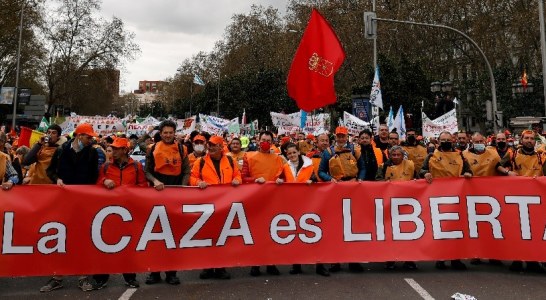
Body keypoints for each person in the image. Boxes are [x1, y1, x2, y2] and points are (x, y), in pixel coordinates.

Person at [42, 123, 100, 292]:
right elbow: (51, 171)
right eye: (88, 137)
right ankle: (57, 276)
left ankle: (83, 276)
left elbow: (93, 176)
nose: (90, 140)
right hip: (63, 201)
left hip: (82, 203)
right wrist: (57, 179)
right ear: (79, 135)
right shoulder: (61, 151)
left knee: (81, 238)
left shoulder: (92, 152)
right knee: (61, 238)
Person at [95, 137, 148, 289]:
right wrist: (104, 181)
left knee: (128, 246)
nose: (114, 151)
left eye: (117, 148)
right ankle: (101, 277)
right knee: (104, 246)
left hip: (128, 213)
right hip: (108, 212)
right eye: (113, 148)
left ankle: (130, 277)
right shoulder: (105, 167)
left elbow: (143, 186)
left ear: (125, 150)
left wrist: (131, 192)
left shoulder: (136, 166)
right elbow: (97, 184)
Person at [144, 119, 190, 285]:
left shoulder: (181, 148)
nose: (168, 135)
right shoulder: (153, 148)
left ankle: (172, 272)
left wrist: (183, 188)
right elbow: (146, 171)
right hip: (157, 194)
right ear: (160, 133)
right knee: (156, 235)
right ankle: (154, 273)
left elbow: (186, 171)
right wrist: (155, 181)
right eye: (165, 133)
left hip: (175, 195)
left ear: (174, 133)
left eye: (171, 132)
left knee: (173, 235)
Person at [420, 131, 472, 271]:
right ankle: (440, 258)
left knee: (456, 229)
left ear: (453, 140)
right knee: (440, 228)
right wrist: (426, 173)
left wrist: (468, 174)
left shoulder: (460, 155)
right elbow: (422, 170)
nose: (446, 142)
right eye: (443, 140)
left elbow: (469, 171)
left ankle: (456, 259)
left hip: (456, 198)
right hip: (437, 197)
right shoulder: (431, 156)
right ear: (438, 141)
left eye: (448, 139)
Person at [190, 135, 241, 280]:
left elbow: (238, 175)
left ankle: (220, 267)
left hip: (225, 204)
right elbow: (192, 177)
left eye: (213, 145)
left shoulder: (230, 161)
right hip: (207, 204)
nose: (210, 148)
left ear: (221, 147)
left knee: (223, 237)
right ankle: (207, 266)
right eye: (209, 145)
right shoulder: (200, 162)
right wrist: (198, 182)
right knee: (207, 236)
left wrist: (237, 180)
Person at [276, 143, 329, 277]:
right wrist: (279, 180)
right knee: (296, 235)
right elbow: (279, 179)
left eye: (294, 152)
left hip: (311, 204)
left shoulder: (310, 165)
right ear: (286, 155)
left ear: (298, 152)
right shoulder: (285, 167)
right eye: (289, 153)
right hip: (294, 204)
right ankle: (297, 264)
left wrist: (313, 182)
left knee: (315, 235)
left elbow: (318, 179)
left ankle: (320, 264)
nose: (292, 155)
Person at [318, 126, 364, 273]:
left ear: (347, 136)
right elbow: (320, 171)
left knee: (354, 226)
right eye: (339, 136)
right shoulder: (328, 152)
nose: (341, 139)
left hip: (353, 190)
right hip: (336, 191)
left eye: (343, 136)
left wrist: (359, 180)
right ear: (335, 137)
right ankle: (335, 261)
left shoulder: (355, 150)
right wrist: (330, 179)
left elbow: (363, 168)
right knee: (336, 226)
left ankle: (354, 261)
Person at [501, 129, 546, 273]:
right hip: (517, 199)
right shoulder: (512, 155)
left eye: (532, 138)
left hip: (536, 201)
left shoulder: (542, 157)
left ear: (535, 141)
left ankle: (532, 261)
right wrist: (509, 173)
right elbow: (498, 166)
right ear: (521, 140)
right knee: (517, 230)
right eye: (526, 138)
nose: (529, 140)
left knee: (534, 230)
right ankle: (517, 259)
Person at [241, 131, 285, 276]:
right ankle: (255, 264)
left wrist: (281, 181)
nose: (264, 142)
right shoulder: (249, 156)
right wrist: (254, 180)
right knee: (256, 232)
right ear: (258, 141)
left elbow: (284, 176)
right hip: (255, 199)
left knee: (272, 232)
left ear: (272, 142)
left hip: (273, 200)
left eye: (268, 140)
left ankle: (271, 263)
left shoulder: (279, 159)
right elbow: (243, 177)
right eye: (263, 140)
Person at [376, 145, 417, 270]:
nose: (396, 157)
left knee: (408, 232)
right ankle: (390, 259)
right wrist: (385, 184)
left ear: (402, 155)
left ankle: (409, 259)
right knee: (391, 232)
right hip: (390, 204)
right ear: (390, 155)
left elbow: (417, 179)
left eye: (398, 155)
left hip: (407, 203)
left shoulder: (410, 165)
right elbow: (377, 181)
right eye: (393, 155)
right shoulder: (383, 167)